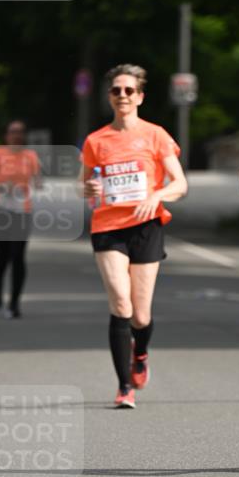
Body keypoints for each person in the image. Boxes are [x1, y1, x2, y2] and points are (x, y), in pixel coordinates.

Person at [82, 64, 187, 408]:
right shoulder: (96, 141)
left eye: (129, 90)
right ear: (109, 97)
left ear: (140, 96)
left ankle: (139, 354)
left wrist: (156, 196)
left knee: (140, 315)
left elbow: (179, 184)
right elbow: (87, 188)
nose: (122, 96)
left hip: (146, 226)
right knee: (120, 304)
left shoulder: (155, 135)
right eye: (116, 90)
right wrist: (91, 187)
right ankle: (124, 386)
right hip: (108, 228)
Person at [0, 120, 42, 318]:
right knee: (2, 257)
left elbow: (38, 181)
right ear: (6, 135)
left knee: (18, 256)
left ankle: (15, 303)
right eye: (13, 131)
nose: (17, 135)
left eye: (20, 132)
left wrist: (33, 185)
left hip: (22, 211)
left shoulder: (30, 156)